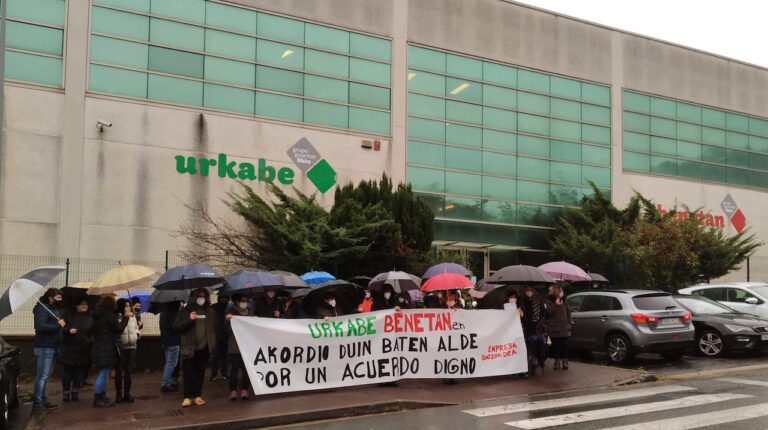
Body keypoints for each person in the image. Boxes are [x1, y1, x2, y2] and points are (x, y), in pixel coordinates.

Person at [174, 288, 218, 408]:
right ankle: (187, 397)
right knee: (188, 373)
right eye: (199, 296)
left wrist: (212, 343)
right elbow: (177, 326)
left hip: (204, 348)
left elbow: (215, 329)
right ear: (193, 297)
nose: (201, 298)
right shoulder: (185, 310)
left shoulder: (210, 311)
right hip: (189, 348)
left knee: (200, 373)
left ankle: (197, 395)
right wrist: (189, 319)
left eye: (204, 296)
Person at [91, 294, 130, 408]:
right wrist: (126, 318)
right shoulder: (110, 315)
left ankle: (102, 395)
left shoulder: (96, 314)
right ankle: (98, 398)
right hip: (107, 346)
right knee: (103, 373)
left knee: (104, 372)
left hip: (98, 345)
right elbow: (119, 329)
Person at [32, 288, 65, 413]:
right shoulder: (42, 309)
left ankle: (43, 399)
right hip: (45, 347)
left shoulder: (52, 309)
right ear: (50, 297)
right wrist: (58, 325)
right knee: (42, 376)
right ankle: (37, 404)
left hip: (53, 346)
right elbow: (40, 327)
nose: (60, 300)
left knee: (46, 376)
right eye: (58, 298)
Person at [58, 298, 94, 402]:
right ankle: (65, 393)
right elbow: (61, 328)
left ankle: (75, 392)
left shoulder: (90, 317)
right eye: (81, 304)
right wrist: (68, 330)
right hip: (69, 348)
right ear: (76, 306)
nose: (84, 306)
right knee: (67, 372)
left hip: (83, 349)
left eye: (86, 304)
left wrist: (90, 341)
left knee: (78, 372)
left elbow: (93, 332)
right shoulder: (68, 315)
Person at [225, 295, 253, 400]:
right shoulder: (231, 313)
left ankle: (245, 390)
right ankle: (233, 391)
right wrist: (227, 321)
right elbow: (225, 331)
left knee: (246, 370)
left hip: (247, 346)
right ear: (236, 302)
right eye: (242, 301)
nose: (244, 303)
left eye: (246, 300)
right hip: (234, 347)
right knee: (234, 369)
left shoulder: (250, 312)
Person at [114, 298, 140, 403]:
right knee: (119, 371)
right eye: (125, 306)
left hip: (132, 346)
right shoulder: (117, 316)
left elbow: (136, 328)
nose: (128, 307)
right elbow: (117, 330)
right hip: (121, 346)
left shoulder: (133, 317)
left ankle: (127, 393)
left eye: (129, 305)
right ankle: (118, 395)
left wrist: (138, 334)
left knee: (129, 371)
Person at [521, 286, 547, 375]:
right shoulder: (523, 302)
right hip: (527, 327)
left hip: (537, 328)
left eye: (530, 291)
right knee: (529, 346)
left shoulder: (539, 302)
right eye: (527, 291)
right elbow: (522, 314)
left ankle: (535, 362)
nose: (528, 292)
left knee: (537, 346)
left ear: (533, 291)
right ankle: (531, 363)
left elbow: (543, 314)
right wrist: (524, 317)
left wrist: (540, 322)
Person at [545, 285, 572, 370]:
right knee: (556, 346)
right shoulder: (550, 301)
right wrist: (556, 305)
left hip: (564, 327)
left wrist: (569, 322)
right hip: (554, 327)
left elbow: (568, 311)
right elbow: (549, 312)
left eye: (562, 290)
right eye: (560, 290)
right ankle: (557, 362)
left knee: (565, 345)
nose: (561, 292)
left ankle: (565, 362)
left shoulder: (564, 300)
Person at [159, 301, 182, 392]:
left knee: (169, 362)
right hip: (173, 341)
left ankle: (167, 381)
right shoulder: (172, 314)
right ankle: (165, 384)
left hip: (166, 340)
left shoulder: (163, 312)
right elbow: (176, 326)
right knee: (171, 363)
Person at [209, 294, 230, 382]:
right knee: (215, 356)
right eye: (222, 297)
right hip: (216, 335)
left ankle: (224, 373)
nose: (224, 299)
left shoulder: (229, 308)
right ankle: (214, 374)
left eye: (225, 297)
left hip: (226, 335)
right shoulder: (213, 308)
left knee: (225, 356)